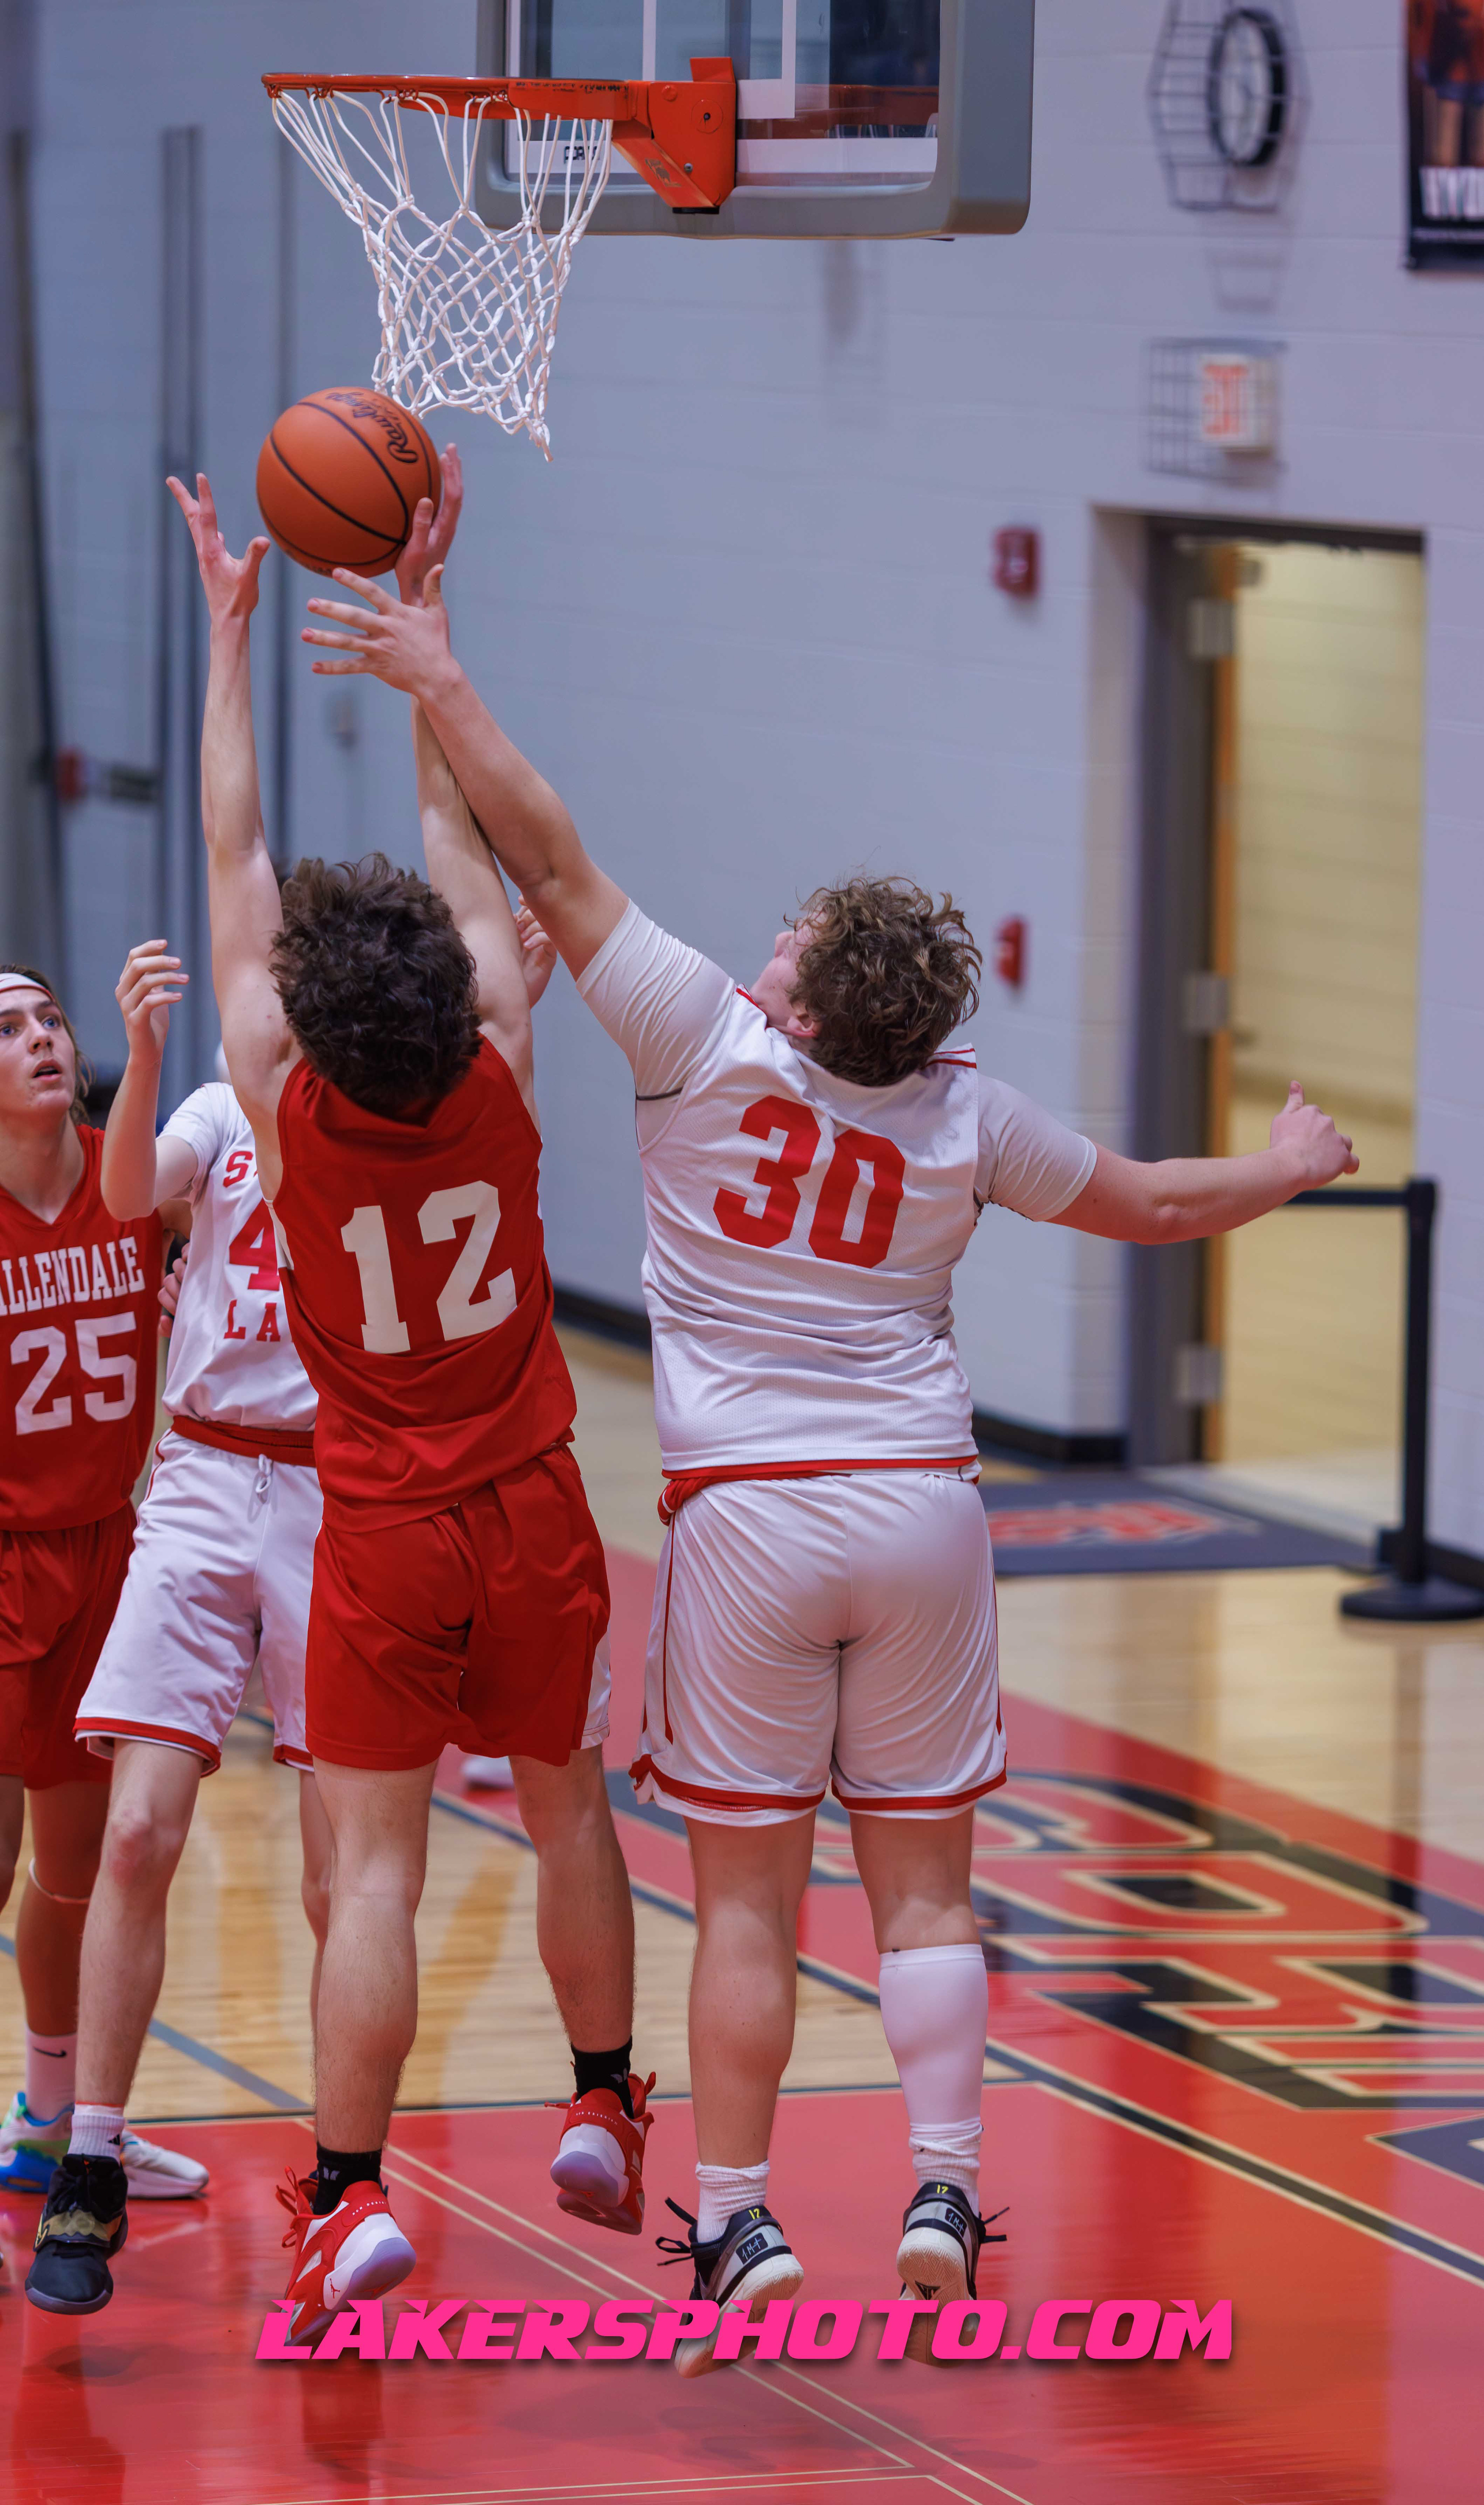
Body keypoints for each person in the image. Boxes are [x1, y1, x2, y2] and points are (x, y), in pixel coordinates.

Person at [298, 544, 1362, 2371]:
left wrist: (435, 671)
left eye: (791, 940)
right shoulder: (968, 1116)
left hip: (751, 1520)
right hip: (925, 1510)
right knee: (928, 1888)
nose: (768, 945)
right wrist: (1286, 1163)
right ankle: (944, 2191)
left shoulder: (699, 1038)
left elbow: (540, 851)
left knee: (746, 1901)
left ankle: (735, 2226)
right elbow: (1154, 1206)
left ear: (799, 1010)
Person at [145, 469, 650, 2350]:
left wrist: (226, 637)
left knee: (373, 1870)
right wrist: (430, 644)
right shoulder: (504, 1065)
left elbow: (233, 844)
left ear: (301, 1014)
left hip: (377, 1527)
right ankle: (600, 2100)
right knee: (568, 1807)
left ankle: (351, 2196)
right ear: (460, 989)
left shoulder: (279, 1107)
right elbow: (466, 846)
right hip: (532, 1499)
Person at [23, 936, 333, 2313]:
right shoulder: (205, 1114)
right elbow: (128, 1186)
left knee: (330, 1879)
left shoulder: (378, 1116)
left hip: (307, 1499)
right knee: (119, 1837)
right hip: (181, 1488)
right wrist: (146, 1051)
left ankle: (343, 2173)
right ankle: (81, 2152)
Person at [0, 965, 202, 2236]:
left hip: (108, 1547)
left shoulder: (134, 1178)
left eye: (48, 1021)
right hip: (3, 1552)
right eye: (6, 1029)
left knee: (78, 1873)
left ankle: (52, 2121)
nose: (39, 1040)